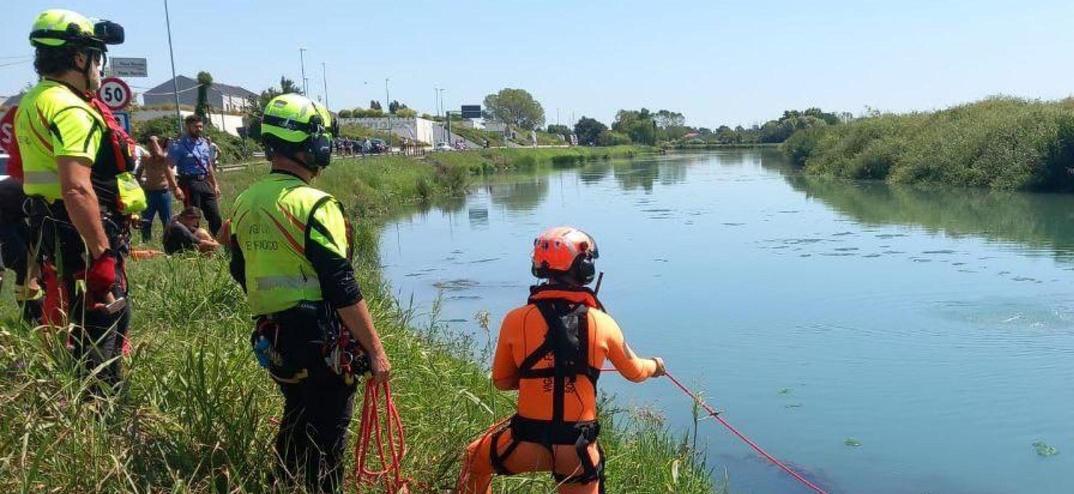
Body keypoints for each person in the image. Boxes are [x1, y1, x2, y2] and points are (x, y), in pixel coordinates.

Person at [223, 93, 391, 493]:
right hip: (319, 337)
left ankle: (281, 484)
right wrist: (375, 350)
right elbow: (340, 284)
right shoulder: (317, 206)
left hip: (274, 335)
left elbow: (239, 268)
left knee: (297, 412)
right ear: (311, 142)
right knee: (328, 434)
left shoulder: (245, 202)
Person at [458, 226, 666, 494]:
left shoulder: (515, 319)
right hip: (576, 449)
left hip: (525, 440)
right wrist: (655, 366)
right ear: (584, 269)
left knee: (474, 460)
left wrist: (536, 380)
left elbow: (501, 381)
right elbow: (635, 372)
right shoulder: (602, 322)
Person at [15, 9, 138, 393]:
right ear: (80, 58)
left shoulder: (33, 100)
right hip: (79, 229)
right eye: (97, 58)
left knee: (79, 318)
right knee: (105, 320)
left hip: (51, 224)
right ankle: (100, 406)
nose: (99, 68)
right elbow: (77, 188)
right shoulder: (71, 108)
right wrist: (101, 255)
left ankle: (83, 396)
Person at [168, 114, 223, 235]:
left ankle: (218, 241)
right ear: (188, 127)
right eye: (196, 127)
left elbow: (208, 165)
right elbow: (168, 167)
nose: (199, 129)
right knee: (192, 218)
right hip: (189, 183)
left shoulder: (203, 143)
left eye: (201, 127)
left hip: (204, 182)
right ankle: (194, 242)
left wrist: (215, 185)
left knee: (215, 216)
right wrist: (175, 188)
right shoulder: (179, 145)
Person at [0, 176, 43, 323]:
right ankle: (30, 315)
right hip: (5, 213)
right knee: (19, 259)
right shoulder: (41, 201)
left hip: (12, 211)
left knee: (27, 259)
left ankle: (33, 311)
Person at [136, 136, 183, 241]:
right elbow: (138, 171)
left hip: (163, 193)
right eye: (149, 144)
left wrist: (154, 141)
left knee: (167, 221)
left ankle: (168, 242)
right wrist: (138, 184)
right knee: (146, 220)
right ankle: (146, 241)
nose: (152, 147)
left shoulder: (164, 158)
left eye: (154, 144)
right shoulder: (146, 158)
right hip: (149, 193)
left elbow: (159, 155)